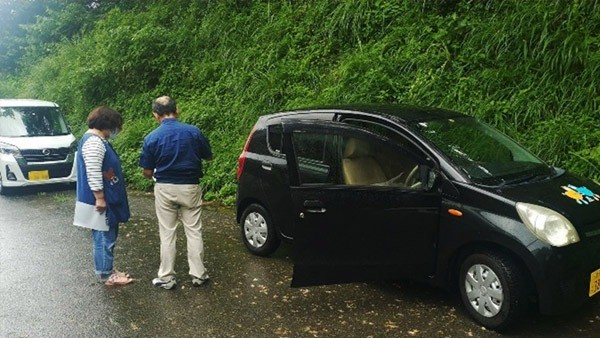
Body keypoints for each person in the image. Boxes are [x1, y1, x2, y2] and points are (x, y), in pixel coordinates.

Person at [139, 96, 213, 290]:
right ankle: (198, 275)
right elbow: (208, 156)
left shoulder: (151, 137)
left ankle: (167, 277)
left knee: (167, 233)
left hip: (164, 188)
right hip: (190, 187)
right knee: (194, 230)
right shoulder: (193, 132)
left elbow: (147, 172)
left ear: (156, 115)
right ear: (177, 110)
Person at [75, 106, 132, 286]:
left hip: (105, 198)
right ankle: (106, 275)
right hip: (100, 201)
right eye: (115, 126)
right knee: (103, 237)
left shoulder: (97, 140)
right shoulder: (93, 142)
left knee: (106, 235)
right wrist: (99, 197)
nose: (115, 131)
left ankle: (107, 269)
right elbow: (93, 171)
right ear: (107, 124)